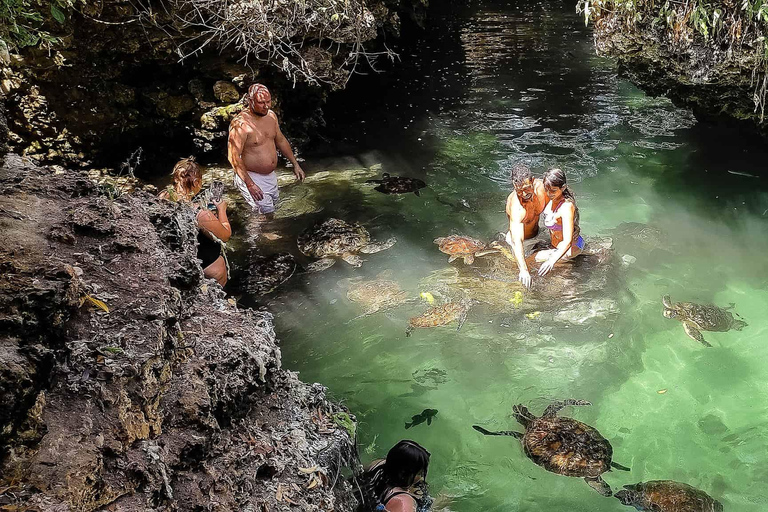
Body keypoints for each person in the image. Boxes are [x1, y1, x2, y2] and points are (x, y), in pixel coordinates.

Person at [227, 83, 305, 217]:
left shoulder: (271, 116)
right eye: (261, 102)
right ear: (250, 101)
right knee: (265, 215)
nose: (266, 106)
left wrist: (295, 164)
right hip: (252, 176)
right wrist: (250, 184)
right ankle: (260, 237)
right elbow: (234, 157)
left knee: (272, 210)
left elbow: (280, 140)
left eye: (268, 101)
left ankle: (259, 234)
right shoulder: (241, 124)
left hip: (270, 176)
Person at [159, 157, 232, 286]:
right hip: (209, 272)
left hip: (176, 267)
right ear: (196, 182)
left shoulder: (163, 198)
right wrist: (221, 210)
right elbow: (225, 236)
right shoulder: (201, 215)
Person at [534, 167, 584, 276]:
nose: (549, 193)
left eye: (553, 190)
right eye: (546, 189)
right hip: (556, 245)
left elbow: (567, 241)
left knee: (534, 259)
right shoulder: (551, 198)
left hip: (571, 247)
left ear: (563, 187)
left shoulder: (566, 207)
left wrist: (552, 261)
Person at [505, 163, 548, 288]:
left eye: (526, 188)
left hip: (538, 233)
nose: (524, 194)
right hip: (523, 242)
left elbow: (563, 197)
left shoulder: (542, 188)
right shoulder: (516, 207)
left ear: (533, 181)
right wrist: (523, 270)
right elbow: (517, 241)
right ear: (514, 186)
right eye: (519, 191)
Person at [362, 440, 432, 512]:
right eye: (419, 473)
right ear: (404, 474)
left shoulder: (377, 465)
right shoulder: (403, 501)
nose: (421, 477)